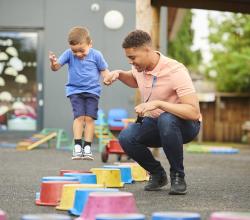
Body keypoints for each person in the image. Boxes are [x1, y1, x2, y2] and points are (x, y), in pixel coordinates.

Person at [107, 30, 201, 195]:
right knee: (126, 137)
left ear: (147, 50)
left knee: (166, 119)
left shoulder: (175, 71)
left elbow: (193, 112)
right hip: (158, 123)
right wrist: (119, 74)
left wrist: (158, 104)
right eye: (128, 58)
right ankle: (157, 174)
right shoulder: (139, 68)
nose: (131, 62)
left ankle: (178, 176)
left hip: (186, 125)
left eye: (132, 58)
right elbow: (134, 78)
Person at [49, 26, 111, 160]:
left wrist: (107, 78)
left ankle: (87, 147)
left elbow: (104, 70)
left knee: (89, 119)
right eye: (74, 51)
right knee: (79, 117)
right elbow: (56, 67)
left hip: (93, 91)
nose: (78, 54)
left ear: (90, 44)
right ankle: (77, 146)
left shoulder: (97, 55)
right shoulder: (68, 54)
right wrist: (53, 63)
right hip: (75, 90)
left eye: (81, 50)